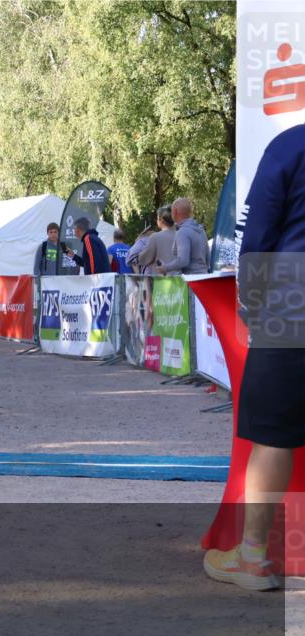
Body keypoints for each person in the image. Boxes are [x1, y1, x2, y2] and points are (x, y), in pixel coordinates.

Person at [204, 124, 305, 591]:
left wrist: (252, 303)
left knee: (272, 437)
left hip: (292, 303)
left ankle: (252, 559)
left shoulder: (291, 145)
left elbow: (258, 233)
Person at [159, 197, 209, 275]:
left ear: (175, 211)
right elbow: (208, 257)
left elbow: (183, 261)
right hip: (204, 277)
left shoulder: (182, 232)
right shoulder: (201, 230)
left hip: (191, 279)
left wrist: (165, 268)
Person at [136, 206, 177, 274]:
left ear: (161, 220)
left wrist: (138, 242)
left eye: (157, 218)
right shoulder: (181, 235)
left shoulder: (155, 237)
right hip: (180, 278)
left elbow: (143, 259)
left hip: (161, 278)